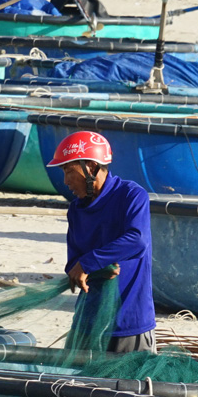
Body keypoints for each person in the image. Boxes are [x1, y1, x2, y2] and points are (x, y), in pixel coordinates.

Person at [50, 131, 155, 354]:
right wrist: (87, 269)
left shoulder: (131, 195)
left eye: (69, 171)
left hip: (129, 322)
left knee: (133, 387)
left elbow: (137, 240)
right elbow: (73, 264)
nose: (66, 181)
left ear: (90, 167)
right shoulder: (76, 210)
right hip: (87, 322)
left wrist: (91, 262)